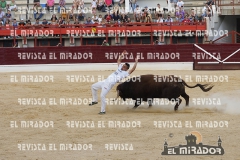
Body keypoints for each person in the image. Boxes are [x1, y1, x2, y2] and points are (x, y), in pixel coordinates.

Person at [89, 50, 138, 114]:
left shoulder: (125, 73)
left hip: (109, 84)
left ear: (126, 69)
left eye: (124, 66)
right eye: (123, 65)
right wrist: (122, 54)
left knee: (102, 96)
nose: (122, 66)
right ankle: (95, 100)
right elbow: (119, 60)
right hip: (105, 81)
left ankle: (102, 111)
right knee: (93, 87)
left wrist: (136, 62)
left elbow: (133, 69)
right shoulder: (119, 67)